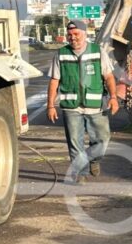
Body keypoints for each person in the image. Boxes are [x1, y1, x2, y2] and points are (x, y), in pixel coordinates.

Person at [47, 19, 120, 181]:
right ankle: (81, 174)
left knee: (102, 140)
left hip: (96, 105)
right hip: (71, 106)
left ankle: (94, 159)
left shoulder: (97, 51)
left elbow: (108, 76)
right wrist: (50, 105)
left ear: (85, 34)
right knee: (75, 143)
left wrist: (113, 97)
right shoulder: (61, 54)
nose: (73, 37)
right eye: (69, 34)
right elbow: (54, 80)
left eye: (76, 34)